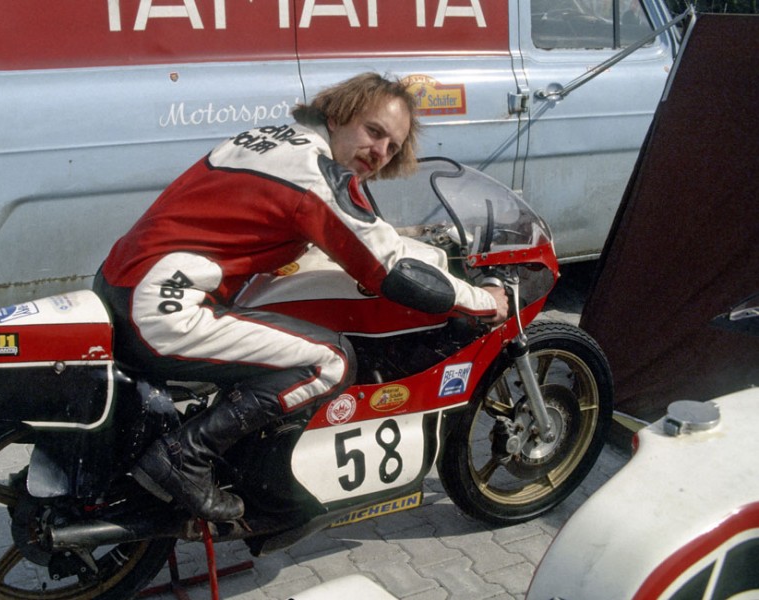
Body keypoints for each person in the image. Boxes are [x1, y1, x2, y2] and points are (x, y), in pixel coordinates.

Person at [94, 73, 509, 522]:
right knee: (329, 359)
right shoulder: (316, 174)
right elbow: (390, 270)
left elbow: (308, 226)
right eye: (374, 132)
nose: (380, 153)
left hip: (125, 282)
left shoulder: (270, 139)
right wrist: (482, 300)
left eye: (392, 146)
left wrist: (405, 235)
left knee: (280, 333)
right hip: (164, 307)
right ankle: (184, 455)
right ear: (338, 115)